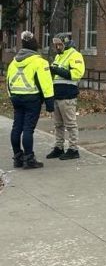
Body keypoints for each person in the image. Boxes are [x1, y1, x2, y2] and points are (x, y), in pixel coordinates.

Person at [7, 31, 54, 169]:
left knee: (16, 128)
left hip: (16, 97)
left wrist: (11, 96)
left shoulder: (13, 62)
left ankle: (17, 157)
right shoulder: (40, 62)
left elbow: (9, 81)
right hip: (32, 99)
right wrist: (49, 103)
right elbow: (46, 83)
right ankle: (29, 159)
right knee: (28, 129)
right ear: (35, 46)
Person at [46, 33, 85, 160]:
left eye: (59, 44)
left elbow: (77, 74)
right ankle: (59, 147)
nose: (57, 46)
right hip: (57, 95)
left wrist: (56, 70)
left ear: (66, 43)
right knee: (58, 124)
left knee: (70, 124)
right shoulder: (58, 56)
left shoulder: (75, 55)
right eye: (55, 44)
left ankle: (73, 149)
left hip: (68, 95)